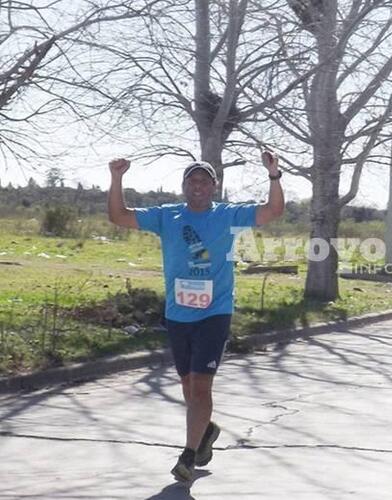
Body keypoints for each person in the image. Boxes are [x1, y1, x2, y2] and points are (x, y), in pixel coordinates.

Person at [107, 151, 284, 482]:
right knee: (188, 386)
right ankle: (206, 431)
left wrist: (274, 175)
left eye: (205, 181)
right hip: (178, 314)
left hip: (215, 312)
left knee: (201, 386)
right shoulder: (167, 216)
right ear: (184, 186)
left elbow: (274, 211)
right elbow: (119, 216)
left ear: (214, 187)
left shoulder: (228, 215)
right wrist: (117, 178)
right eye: (193, 180)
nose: (199, 186)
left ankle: (188, 456)